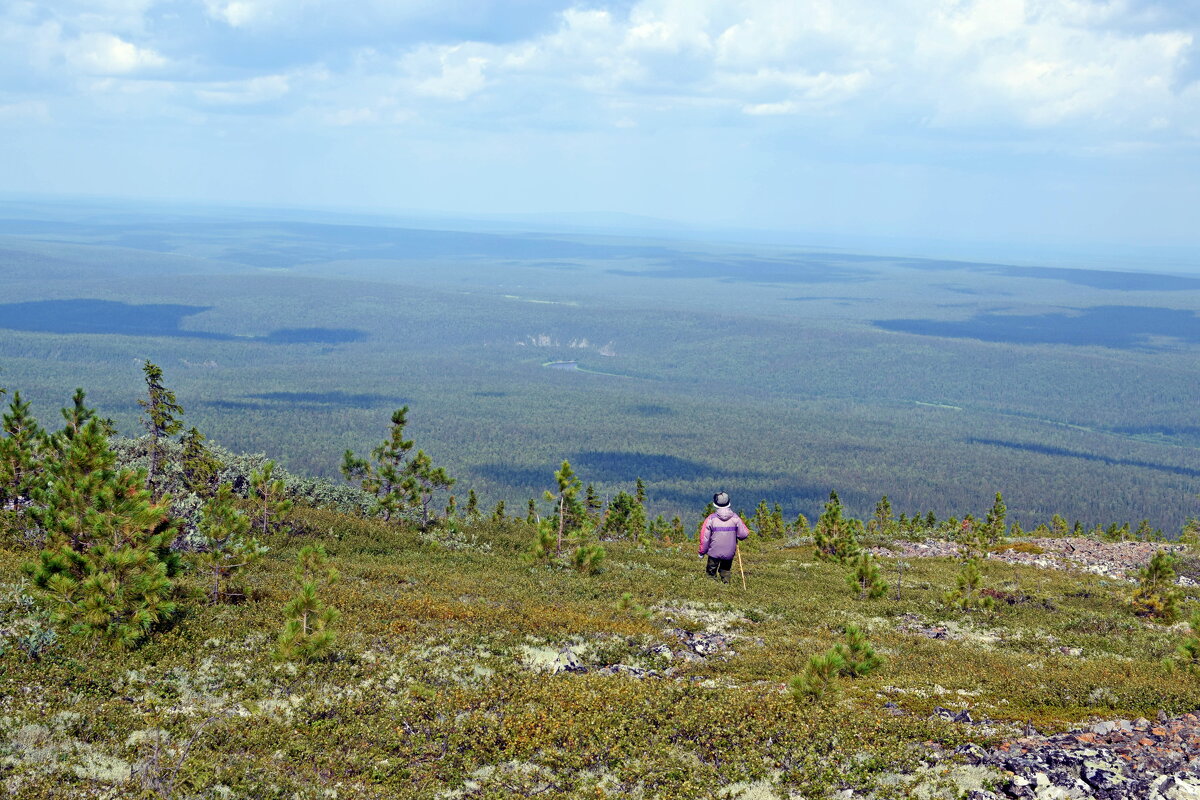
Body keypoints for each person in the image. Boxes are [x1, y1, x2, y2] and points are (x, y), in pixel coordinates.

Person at [698, 492, 749, 583]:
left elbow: (705, 538)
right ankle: (726, 586)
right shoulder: (735, 518)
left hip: (714, 552)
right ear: (728, 502)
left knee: (711, 573)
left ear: (715, 503)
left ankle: (712, 589)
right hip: (729, 552)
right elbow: (744, 534)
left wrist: (702, 552)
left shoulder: (710, 519)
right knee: (725, 570)